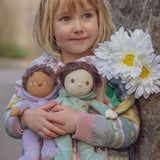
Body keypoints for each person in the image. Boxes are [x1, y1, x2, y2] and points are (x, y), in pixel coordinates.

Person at [3, 0, 140, 159]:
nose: (78, 28)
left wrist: (80, 123)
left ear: (99, 18)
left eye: (87, 16)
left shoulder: (111, 71)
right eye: (66, 19)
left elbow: (130, 130)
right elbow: (8, 121)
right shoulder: (39, 69)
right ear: (49, 26)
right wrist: (26, 119)